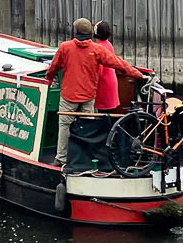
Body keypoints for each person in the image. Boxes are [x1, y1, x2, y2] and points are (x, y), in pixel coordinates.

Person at [46, 17, 145, 168]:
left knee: (64, 126)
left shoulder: (65, 47)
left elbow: (53, 67)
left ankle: (61, 158)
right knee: (88, 127)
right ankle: (85, 158)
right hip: (88, 96)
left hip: (69, 95)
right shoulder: (97, 50)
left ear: (76, 31)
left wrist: (48, 79)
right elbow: (119, 64)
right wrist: (138, 75)